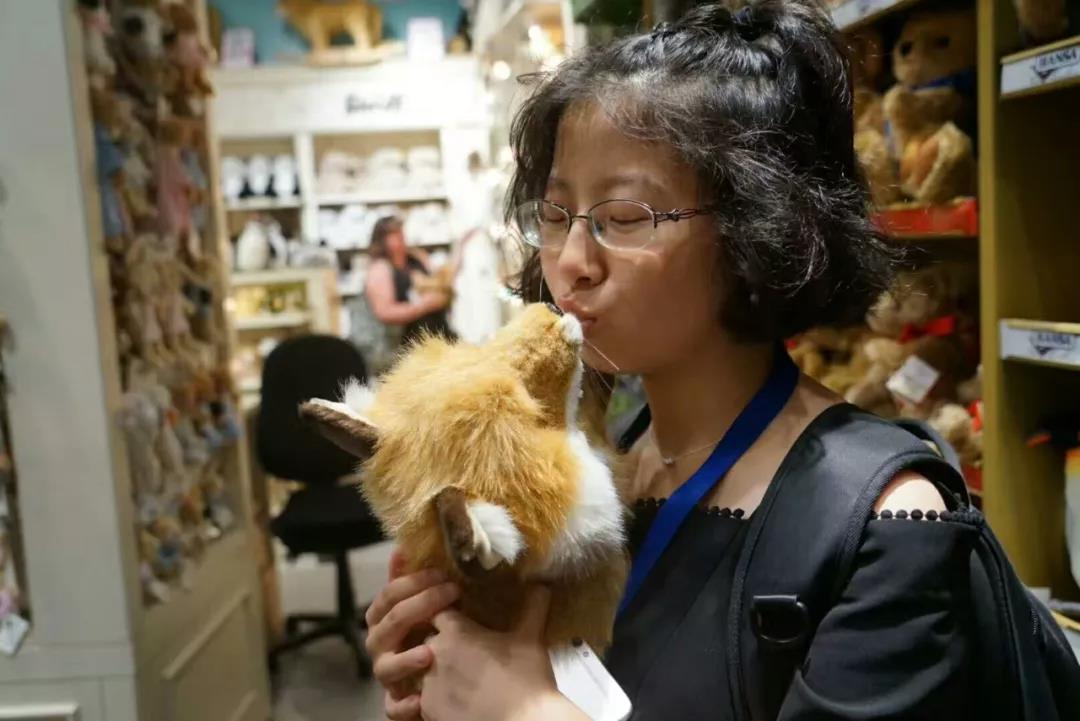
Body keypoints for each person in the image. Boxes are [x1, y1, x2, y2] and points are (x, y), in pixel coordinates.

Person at [363, 2, 980, 720]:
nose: (571, 262)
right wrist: (449, 667)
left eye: (625, 218)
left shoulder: (886, 518)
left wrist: (524, 707)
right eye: (556, 215)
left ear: (759, 228)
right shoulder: (608, 466)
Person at [364, 215, 456, 347]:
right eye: (394, 234)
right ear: (382, 240)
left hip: (439, 334)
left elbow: (440, 281)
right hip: (407, 343)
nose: (400, 237)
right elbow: (385, 312)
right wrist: (423, 305)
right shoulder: (379, 269)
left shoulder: (416, 256)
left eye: (400, 232)